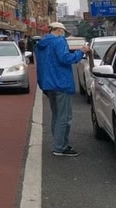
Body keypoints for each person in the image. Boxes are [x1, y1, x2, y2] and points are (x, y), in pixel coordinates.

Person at [36, 22, 88, 157]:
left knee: (56, 116)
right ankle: (60, 147)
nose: (64, 35)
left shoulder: (42, 44)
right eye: (63, 32)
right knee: (64, 117)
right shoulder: (59, 41)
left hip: (48, 83)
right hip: (61, 82)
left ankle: (59, 143)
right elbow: (65, 59)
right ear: (59, 30)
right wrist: (81, 52)